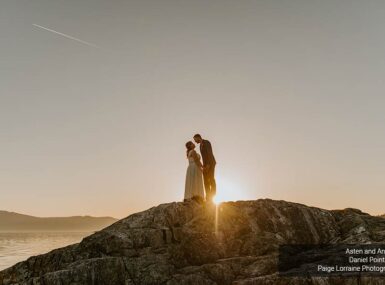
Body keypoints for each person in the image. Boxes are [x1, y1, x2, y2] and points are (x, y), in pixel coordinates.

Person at [193, 134, 216, 203]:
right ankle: (208, 197)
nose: (195, 141)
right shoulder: (200, 146)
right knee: (205, 181)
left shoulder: (206, 142)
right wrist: (204, 166)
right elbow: (203, 157)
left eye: (195, 139)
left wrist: (208, 164)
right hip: (205, 165)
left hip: (211, 163)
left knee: (211, 179)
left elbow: (209, 153)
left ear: (198, 137)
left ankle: (212, 196)